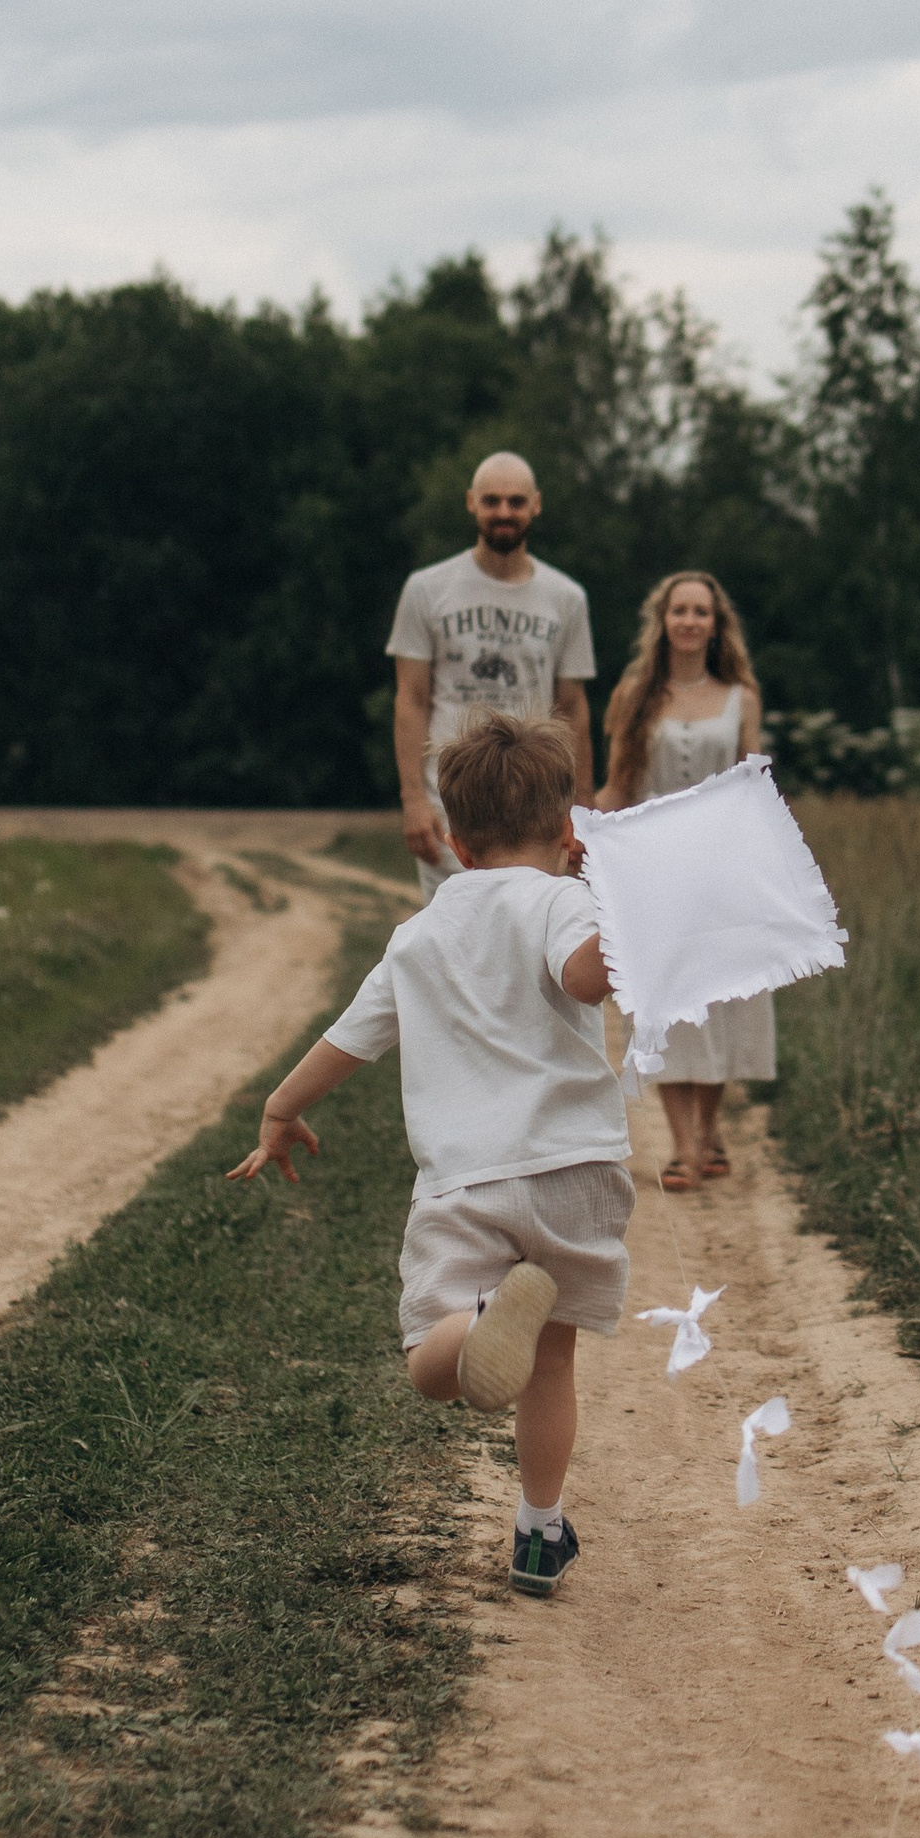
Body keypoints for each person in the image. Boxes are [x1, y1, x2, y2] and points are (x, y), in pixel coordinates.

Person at [228, 709, 630, 1602]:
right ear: (570, 834)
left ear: (453, 839)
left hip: (466, 1182)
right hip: (574, 1170)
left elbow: (352, 1038)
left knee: (429, 1358)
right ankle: (538, 1532)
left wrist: (281, 1107)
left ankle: (480, 1322)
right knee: (552, 1364)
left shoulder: (418, 937)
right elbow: (585, 975)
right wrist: (628, 904)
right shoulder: (565, 900)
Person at [595, 567, 774, 1193]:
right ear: (663, 621)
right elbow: (618, 784)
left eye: (702, 611)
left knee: (717, 1007)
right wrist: (581, 837)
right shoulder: (635, 695)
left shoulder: (740, 698)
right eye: (680, 611)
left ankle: (706, 1130)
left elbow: (754, 785)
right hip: (653, 869)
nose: (690, 621)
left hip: (722, 871)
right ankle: (684, 1147)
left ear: (716, 624)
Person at [388, 452, 595, 902]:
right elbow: (411, 698)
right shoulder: (427, 589)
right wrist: (413, 802)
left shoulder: (566, 598)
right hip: (455, 798)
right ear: (471, 503)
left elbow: (573, 706)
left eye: (516, 501)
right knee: (453, 942)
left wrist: (581, 808)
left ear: (536, 505)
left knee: (532, 941)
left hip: (536, 796)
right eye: (492, 500)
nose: (504, 512)